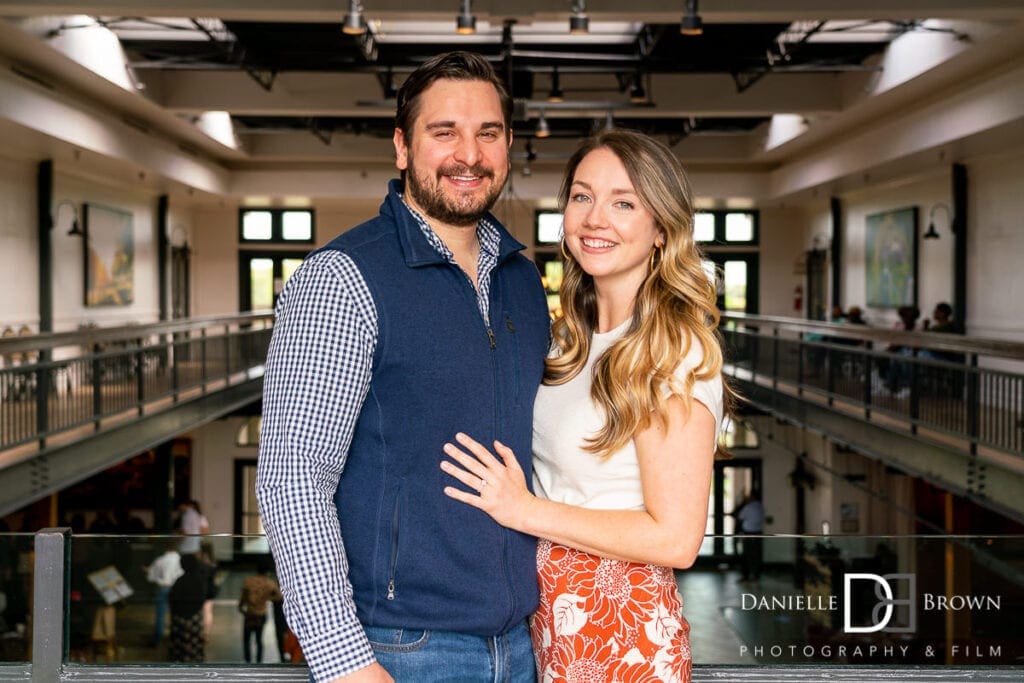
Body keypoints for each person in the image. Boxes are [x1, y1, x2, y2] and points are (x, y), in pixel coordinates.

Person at [256, 51, 550, 683]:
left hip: (527, 643)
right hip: (401, 649)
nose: (469, 154)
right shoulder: (341, 278)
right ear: (402, 146)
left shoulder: (524, 280)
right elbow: (292, 479)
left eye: (488, 133)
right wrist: (345, 663)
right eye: (444, 132)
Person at [441, 129, 726, 682]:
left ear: (662, 229)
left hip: (621, 623)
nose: (595, 218)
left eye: (624, 203)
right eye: (582, 196)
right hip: (552, 616)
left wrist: (522, 509)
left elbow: (677, 538)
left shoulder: (672, 351)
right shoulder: (571, 337)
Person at [168, 552, 217, 663]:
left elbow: (172, 600)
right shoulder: (198, 581)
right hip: (194, 618)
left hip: (179, 619)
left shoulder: (179, 581)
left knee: (179, 647)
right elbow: (201, 599)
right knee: (194, 644)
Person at [238, 558, 283, 663]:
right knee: (259, 640)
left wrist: (241, 608)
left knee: (246, 641)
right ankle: (259, 662)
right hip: (261, 615)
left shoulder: (248, 581)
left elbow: (243, 598)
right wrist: (267, 598)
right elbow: (279, 597)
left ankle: (248, 661)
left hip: (249, 614)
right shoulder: (269, 583)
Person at [144, 541, 183, 647]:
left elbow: (151, 578)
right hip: (175, 590)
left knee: (160, 615)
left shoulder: (160, 560)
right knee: (176, 615)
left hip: (162, 588)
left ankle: (157, 640)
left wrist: (149, 571)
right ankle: (176, 639)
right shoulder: (180, 560)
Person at [732, 491, 765, 581]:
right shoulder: (760, 506)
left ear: (753, 497)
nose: (748, 498)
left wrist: (743, 503)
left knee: (747, 555)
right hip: (758, 533)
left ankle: (746, 575)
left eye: (750, 496)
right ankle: (755, 575)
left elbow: (739, 517)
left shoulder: (748, 507)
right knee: (756, 555)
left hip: (749, 533)